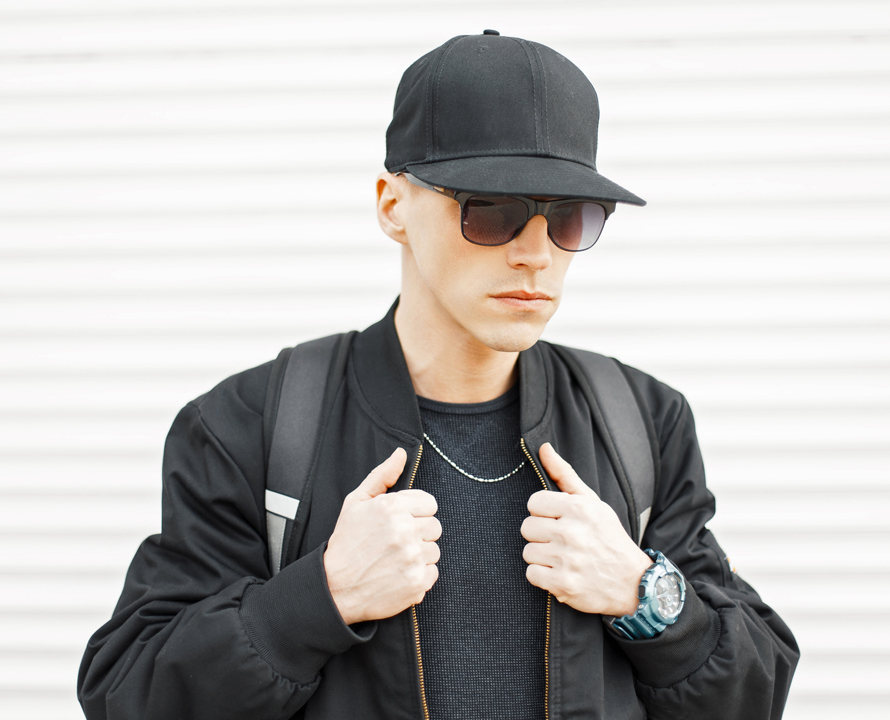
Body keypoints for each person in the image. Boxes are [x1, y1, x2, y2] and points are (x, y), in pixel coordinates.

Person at [78, 31, 798, 720]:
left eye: (569, 218)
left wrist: (645, 596)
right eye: (493, 212)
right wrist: (319, 598)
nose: (535, 254)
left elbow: (752, 695)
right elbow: (127, 694)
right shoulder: (250, 424)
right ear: (393, 206)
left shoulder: (641, 421)